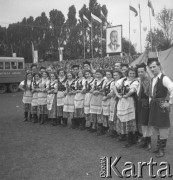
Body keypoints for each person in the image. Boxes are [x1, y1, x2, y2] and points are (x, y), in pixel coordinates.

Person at [147, 58, 173, 158]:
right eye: (151, 67)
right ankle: (158, 147)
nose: (152, 69)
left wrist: (169, 103)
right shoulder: (153, 78)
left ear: (159, 66)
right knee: (156, 126)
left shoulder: (164, 78)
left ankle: (162, 150)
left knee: (163, 127)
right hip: (154, 105)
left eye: (154, 66)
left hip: (161, 106)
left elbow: (172, 88)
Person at [116, 67, 139, 147]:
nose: (132, 75)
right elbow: (114, 87)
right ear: (127, 73)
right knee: (123, 118)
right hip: (122, 101)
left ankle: (131, 139)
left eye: (133, 73)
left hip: (130, 101)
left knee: (130, 119)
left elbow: (133, 90)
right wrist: (118, 95)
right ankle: (127, 137)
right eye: (130, 73)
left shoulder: (135, 81)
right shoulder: (123, 80)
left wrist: (126, 95)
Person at [136, 63, 152, 150]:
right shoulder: (140, 79)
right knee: (143, 123)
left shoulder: (147, 79)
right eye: (139, 72)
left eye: (142, 71)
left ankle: (148, 142)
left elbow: (148, 93)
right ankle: (145, 140)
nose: (140, 73)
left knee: (146, 123)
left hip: (146, 103)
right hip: (140, 102)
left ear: (145, 71)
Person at [108, 70, 123, 137]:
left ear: (120, 75)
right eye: (114, 75)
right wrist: (111, 94)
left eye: (116, 75)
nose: (115, 76)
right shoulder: (112, 83)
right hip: (113, 100)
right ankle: (114, 130)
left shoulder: (122, 82)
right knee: (113, 115)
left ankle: (120, 132)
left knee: (118, 115)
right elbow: (111, 92)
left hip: (119, 100)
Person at [100, 70, 114, 135]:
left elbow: (112, 92)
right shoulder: (105, 81)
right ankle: (106, 127)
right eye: (107, 74)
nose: (108, 76)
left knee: (109, 114)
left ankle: (111, 129)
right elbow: (103, 89)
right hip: (104, 98)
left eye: (109, 74)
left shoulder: (113, 82)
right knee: (105, 114)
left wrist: (106, 97)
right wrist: (103, 95)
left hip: (110, 99)